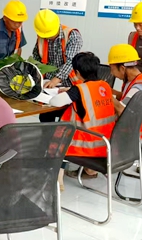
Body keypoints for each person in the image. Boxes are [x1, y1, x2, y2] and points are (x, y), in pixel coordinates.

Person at [49, 52, 116, 180]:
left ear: (77, 72)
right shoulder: (105, 86)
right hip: (106, 142)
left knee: (62, 132)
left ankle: (57, 178)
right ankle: (89, 171)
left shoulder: (79, 90)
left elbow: (55, 102)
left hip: (87, 145)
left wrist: (71, 92)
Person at [108, 44, 142, 176]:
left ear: (122, 68)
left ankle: (91, 169)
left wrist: (105, 94)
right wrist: (111, 91)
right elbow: (128, 99)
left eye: (112, 69)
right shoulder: (140, 80)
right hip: (140, 130)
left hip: (133, 136)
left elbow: (122, 110)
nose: (111, 73)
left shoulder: (138, 86)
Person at [32, 9, 84, 122]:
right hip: (48, 87)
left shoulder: (72, 35)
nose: (48, 37)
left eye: (50, 34)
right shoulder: (42, 36)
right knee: (45, 118)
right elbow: (36, 58)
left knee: (65, 121)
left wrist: (56, 79)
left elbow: (70, 61)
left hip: (70, 85)